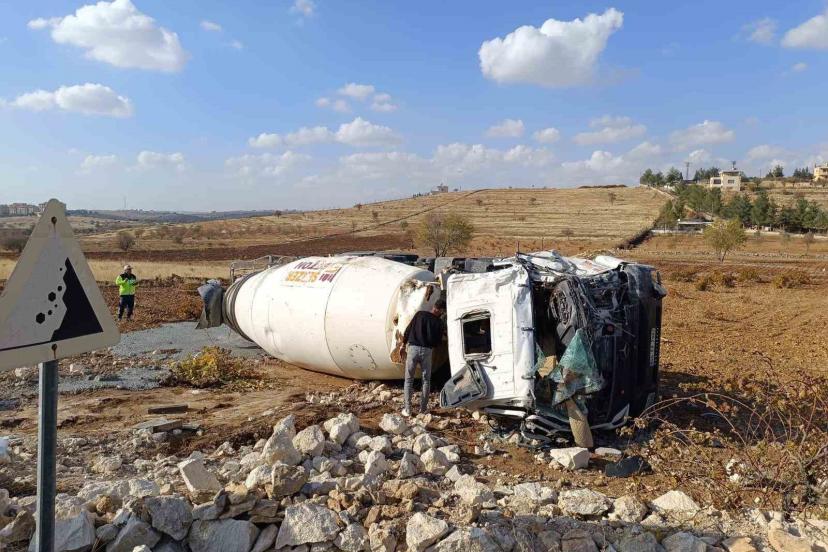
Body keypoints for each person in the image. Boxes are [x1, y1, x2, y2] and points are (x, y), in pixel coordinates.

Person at [401, 299, 446, 417]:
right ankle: (423, 409)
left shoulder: (420, 314)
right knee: (426, 380)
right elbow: (438, 342)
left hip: (413, 349)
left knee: (409, 380)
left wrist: (402, 344)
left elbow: (408, 330)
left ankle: (408, 410)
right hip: (427, 351)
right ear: (441, 310)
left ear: (433, 306)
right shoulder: (439, 323)